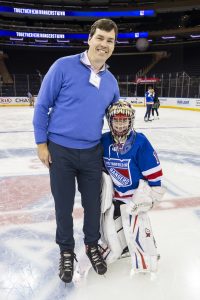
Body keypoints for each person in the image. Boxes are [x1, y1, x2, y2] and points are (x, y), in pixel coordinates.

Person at [33, 18, 120, 283]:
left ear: (114, 45)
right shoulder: (63, 66)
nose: (104, 45)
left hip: (92, 152)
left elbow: (114, 121)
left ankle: (92, 245)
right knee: (63, 206)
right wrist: (41, 144)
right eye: (100, 38)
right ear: (90, 39)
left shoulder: (112, 82)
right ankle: (66, 251)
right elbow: (41, 106)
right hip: (61, 151)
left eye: (110, 41)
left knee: (93, 205)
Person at [100, 100, 165, 272]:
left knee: (141, 239)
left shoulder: (140, 142)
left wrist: (150, 197)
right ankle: (125, 246)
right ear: (110, 120)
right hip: (114, 199)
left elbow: (155, 176)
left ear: (130, 121)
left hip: (134, 200)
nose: (120, 124)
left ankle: (148, 244)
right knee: (111, 238)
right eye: (116, 120)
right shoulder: (104, 141)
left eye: (124, 120)